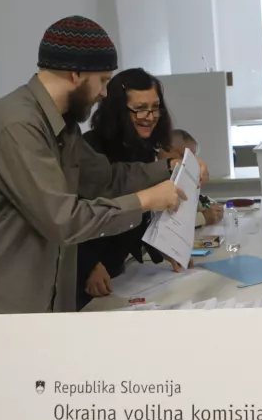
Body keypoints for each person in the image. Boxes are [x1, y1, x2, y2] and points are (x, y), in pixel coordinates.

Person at [0, 17, 187, 393]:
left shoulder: (63, 127)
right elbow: (63, 220)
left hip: (35, 310)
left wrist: (169, 169)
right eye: (103, 81)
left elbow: (105, 180)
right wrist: (146, 200)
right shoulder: (17, 126)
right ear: (75, 74)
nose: (105, 93)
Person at [79, 70, 216, 302]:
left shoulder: (143, 149)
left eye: (155, 107)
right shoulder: (90, 148)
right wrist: (89, 264)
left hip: (119, 270)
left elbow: (139, 211)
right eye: (140, 108)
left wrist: (165, 246)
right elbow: (77, 213)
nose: (150, 116)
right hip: (89, 271)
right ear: (118, 111)